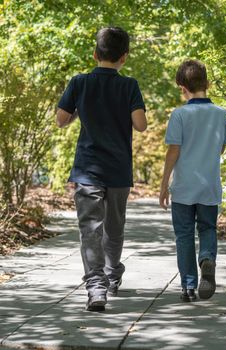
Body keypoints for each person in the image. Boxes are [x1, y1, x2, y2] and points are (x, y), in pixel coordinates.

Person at [56, 27, 147, 311]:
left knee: (90, 230)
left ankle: (97, 288)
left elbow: (61, 120)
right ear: (125, 57)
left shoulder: (79, 82)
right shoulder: (129, 85)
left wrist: (80, 110)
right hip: (118, 170)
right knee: (114, 227)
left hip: (87, 169)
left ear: (95, 54)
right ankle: (111, 274)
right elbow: (141, 125)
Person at [159, 59, 226, 301]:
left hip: (184, 187)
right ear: (207, 83)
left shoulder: (179, 114)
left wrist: (163, 185)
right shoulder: (221, 114)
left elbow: (173, 151)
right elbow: (220, 149)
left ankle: (188, 286)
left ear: (182, 87)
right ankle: (207, 258)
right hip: (209, 185)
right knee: (208, 228)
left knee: (184, 234)